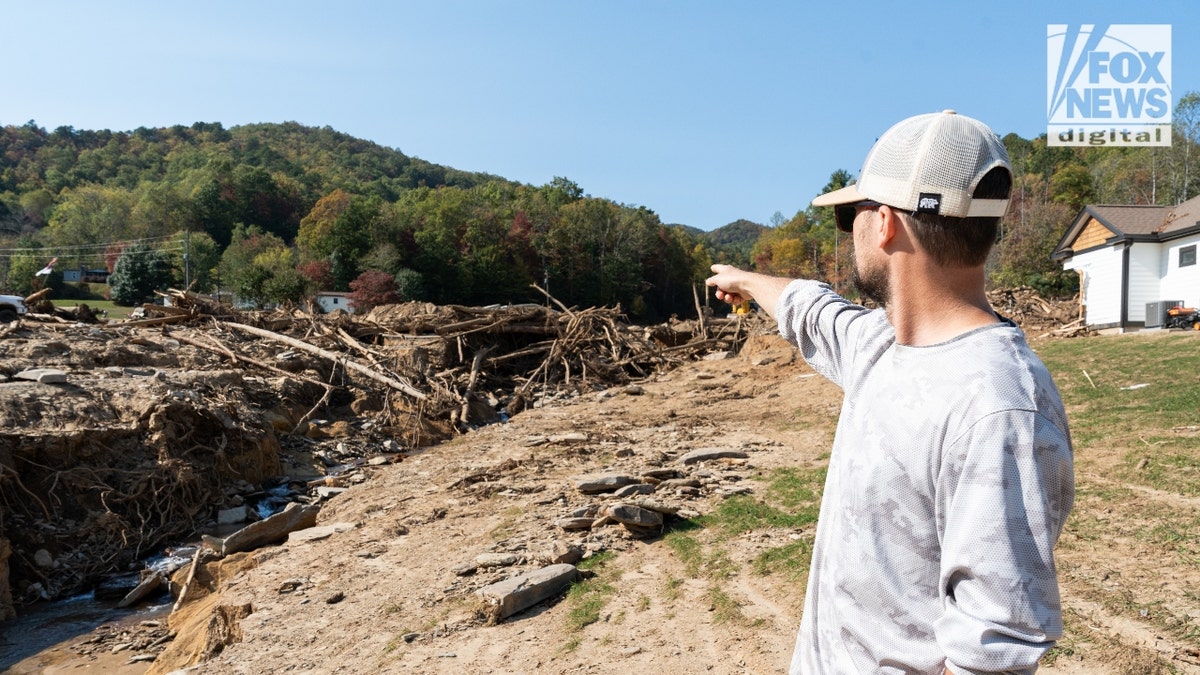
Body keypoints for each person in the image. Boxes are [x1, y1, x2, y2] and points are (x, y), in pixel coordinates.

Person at [706, 110, 1074, 675]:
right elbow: (809, 308)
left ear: (883, 224)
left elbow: (992, 649)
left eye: (850, 216)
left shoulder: (1000, 406)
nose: (849, 230)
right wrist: (749, 282)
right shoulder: (881, 345)